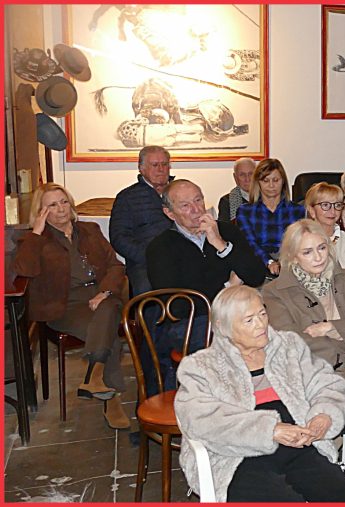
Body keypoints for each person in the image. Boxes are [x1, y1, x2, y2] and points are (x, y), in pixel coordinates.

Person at [175, 285, 345, 503]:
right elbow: (200, 420)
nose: (260, 324)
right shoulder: (201, 367)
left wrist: (324, 415)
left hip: (298, 446)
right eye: (249, 320)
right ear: (222, 326)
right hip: (237, 458)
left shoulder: (288, 346)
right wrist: (269, 430)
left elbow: (327, 384)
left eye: (262, 314)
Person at [15, 183, 130, 429]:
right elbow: (24, 270)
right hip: (65, 305)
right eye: (52, 205)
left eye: (64, 202)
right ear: (41, 211)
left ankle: (96, 378)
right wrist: (36, 233)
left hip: (101, 295)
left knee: (109, 308)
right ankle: (107, 393)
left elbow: (116, 265)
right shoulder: (35, 240)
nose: (61, 209)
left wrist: (104, 291)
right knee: (107, 329)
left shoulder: (90, 230)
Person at [147, 179, 267, 391]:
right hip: (192, 324)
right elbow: (178, 306)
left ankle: (262, 396)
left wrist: (221, 245)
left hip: (238, 317)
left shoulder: (226, 232)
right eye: (185, 205)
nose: (196, 210)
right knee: (230, 346)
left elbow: (256, 275)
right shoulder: (160, 247)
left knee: (270, 337)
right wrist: (227, 288)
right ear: (170, 213)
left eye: (198, 200)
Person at [262, 219, 345, 377]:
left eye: (322, 248)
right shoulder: (275, 293)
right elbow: (293, 344)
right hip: (321, 373)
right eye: (307, 252)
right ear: (293, 257)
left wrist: (331, 328)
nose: (318, 257)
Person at [110, 145, 173, 295]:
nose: (161, 169)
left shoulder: (181, 191)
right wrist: (148, 256)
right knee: (146, 290)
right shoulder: (127, 197)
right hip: (145, 262)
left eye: (164, 164)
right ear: (141, 168)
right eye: (155, 165)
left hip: (181, 256)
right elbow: (119, 237)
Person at [236, 158, 306, 276]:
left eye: (276, 180)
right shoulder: (245, 211)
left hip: (289, 264)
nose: (271, 185)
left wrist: (282, 263)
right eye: (266, 180)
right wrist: (269, 261)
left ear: (283, 181)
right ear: (258, 182)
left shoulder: (298, 211)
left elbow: (299, 244)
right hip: (257, 263)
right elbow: (250, 244)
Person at [218, 157, 256, 221]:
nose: (247, 179)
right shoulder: (226, 202)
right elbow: (224, 226)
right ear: (235, 177)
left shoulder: (267, 198)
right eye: (242, 175)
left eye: (251, 174)